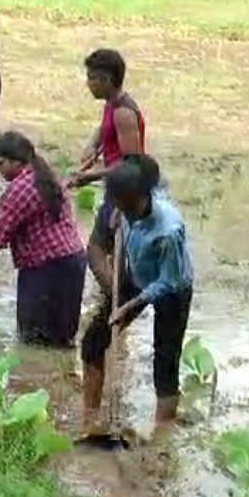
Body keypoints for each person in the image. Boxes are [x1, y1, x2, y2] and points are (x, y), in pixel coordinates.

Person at [80, 154, 193, 434]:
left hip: (172, 289)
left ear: (144, 197)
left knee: (165, 362)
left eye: (128, 206)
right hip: (138, 276)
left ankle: (161, 438)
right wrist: (119, 213)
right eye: (118, 204)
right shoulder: (123, 203)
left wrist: (131, 304)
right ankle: (90, 419)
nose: (123, 210)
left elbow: (169, 281)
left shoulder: (168, 230)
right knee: (94, 341)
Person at [0, 132, 87, 347]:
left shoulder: (19, 190)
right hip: (73, 264)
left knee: (32, 341)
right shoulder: (47, 175)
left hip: (45, 271)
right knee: (61, 342)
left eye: (0, 163)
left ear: (16, 161)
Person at [66, 48, 147, 324]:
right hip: (115, 188)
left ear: (108, 80)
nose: (88, 84)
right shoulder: (111, 105)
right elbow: (102, 133)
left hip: (125, 191)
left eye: (92, 79)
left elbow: (132, 162)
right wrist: (91, 147)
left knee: (96, 250)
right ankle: (116, 297)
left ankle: (120, 302)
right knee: (114, 254)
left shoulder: (124, 113)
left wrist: (90, 176)